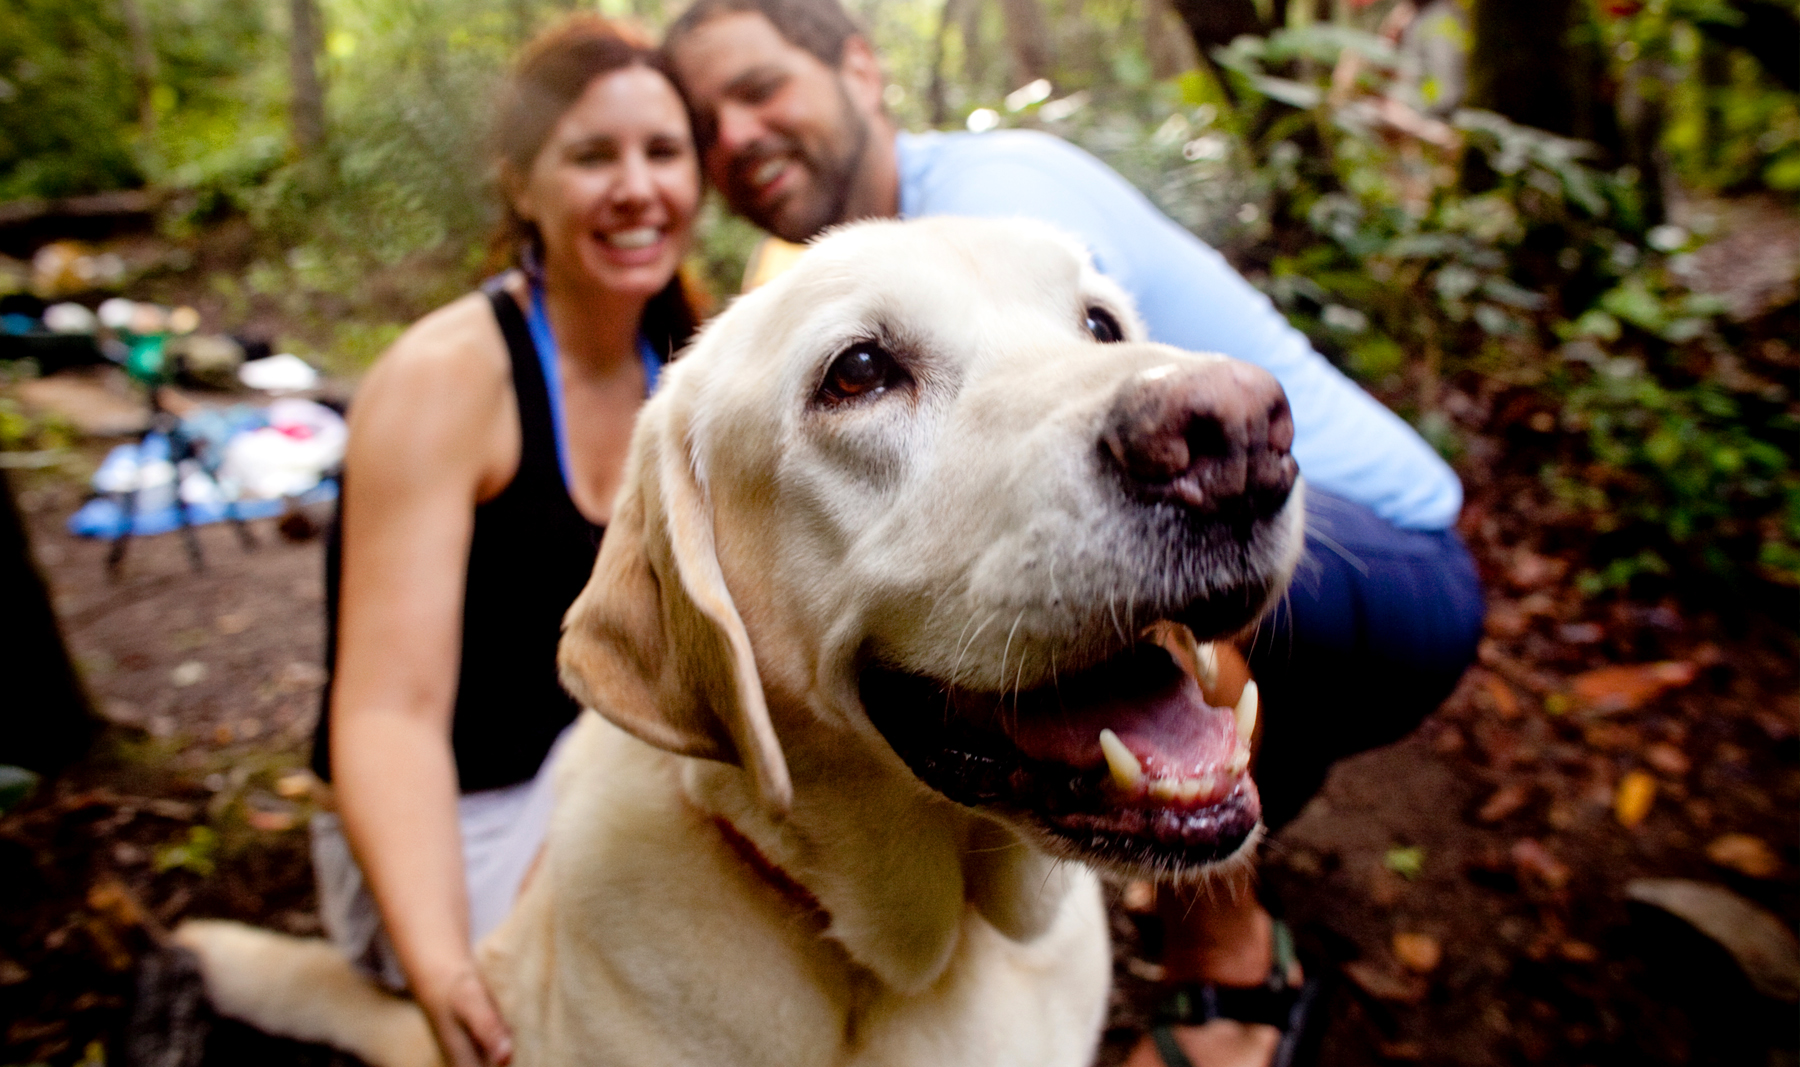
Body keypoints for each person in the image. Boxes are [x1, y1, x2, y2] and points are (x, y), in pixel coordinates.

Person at [661, 3, 1485, 1065]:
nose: (734, 135)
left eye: (759, 87)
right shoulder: (850, 262)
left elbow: (1129, 458)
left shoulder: (993, 209)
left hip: (1392, 552)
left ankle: (1227, 958)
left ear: (861, 71)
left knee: (1133, 576)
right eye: (702, 118)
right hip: (1267, 523)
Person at [307, 17, 703, 1067]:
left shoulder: (690, 369)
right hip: (444, 832)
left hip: (603, 789)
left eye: (662, 153)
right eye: (591, 155)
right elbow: (389, 711)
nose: (635, 187)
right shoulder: (447, 378)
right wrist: (442, 965)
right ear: (520, 185)